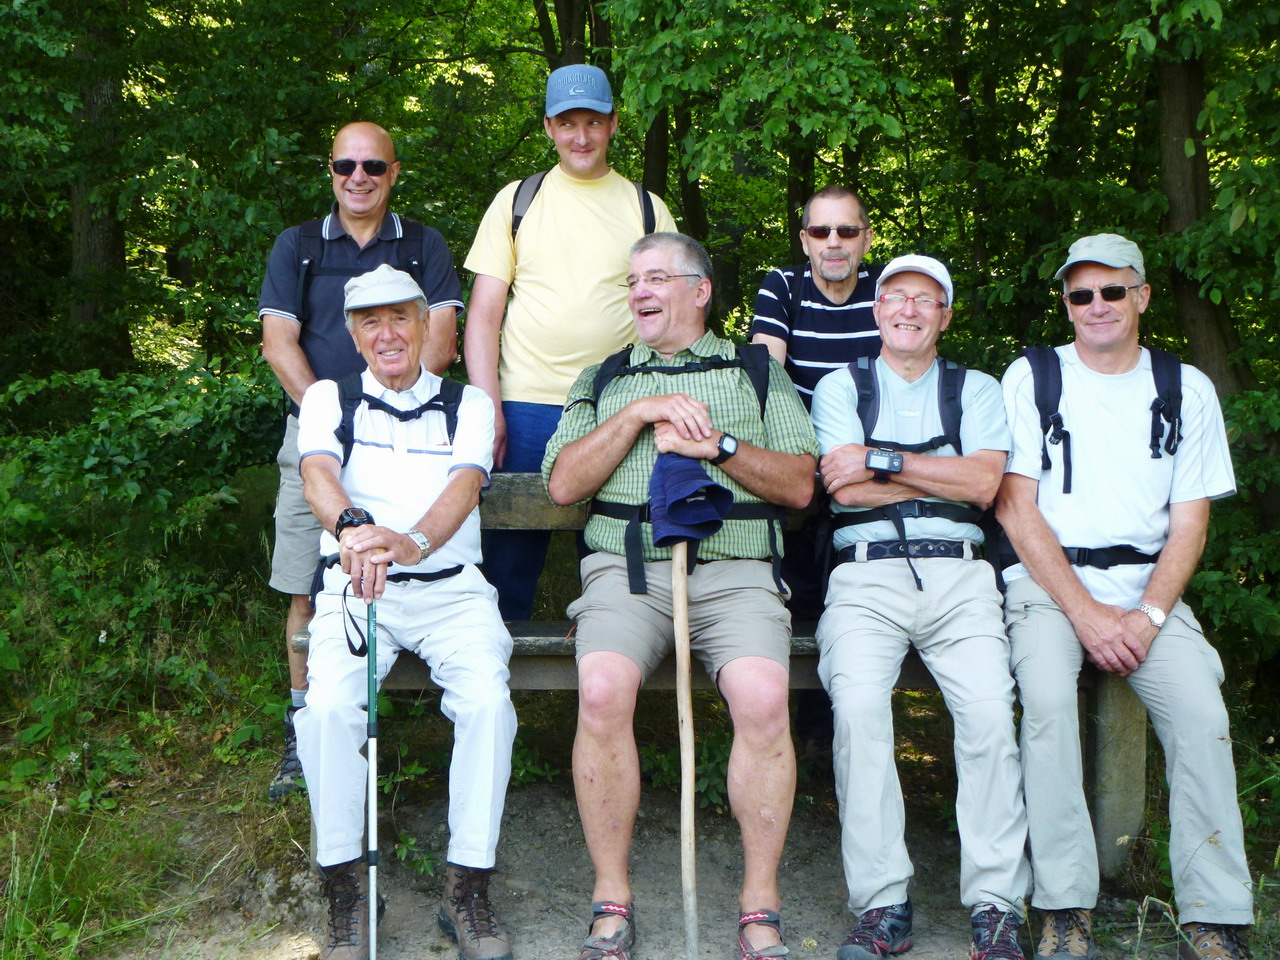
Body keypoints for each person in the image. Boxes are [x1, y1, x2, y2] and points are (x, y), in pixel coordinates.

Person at [542, 233, 818, 960]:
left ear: (699, 291)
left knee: (762, 697)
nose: (639, 291)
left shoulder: (757, 370)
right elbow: (564, 484)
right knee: (601, 689)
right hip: (628, 571)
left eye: (657, 277)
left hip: (735, 572)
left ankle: (760, 906)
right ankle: (612, 897)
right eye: (632, 279)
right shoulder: (603, 379)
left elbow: (799, 485)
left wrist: (718, 447)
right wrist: (637, 415)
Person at [997, 234, 1252, 960]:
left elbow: (1191, 521)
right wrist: (1084, 612)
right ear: (1067, 305)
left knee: (1203, 710)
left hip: (1146, 590)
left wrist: (1145, 616)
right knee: (1046, 702)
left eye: (1113, 290)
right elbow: (1017, 509)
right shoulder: (1033, 377)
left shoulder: (1185, 387)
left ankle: (1214, 912)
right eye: (1082, 294)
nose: (1097, 306)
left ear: (1141, 296)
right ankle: (1063, 906)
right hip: (1048, 586)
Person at [811, 255, 1030, 960]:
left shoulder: (980, 389)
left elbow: (986, 484)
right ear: (876, 312)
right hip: (865, 579)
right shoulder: (841, 386)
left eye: (925, 300)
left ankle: (997, 905)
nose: (908, 309)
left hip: (962, 578)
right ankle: (883, 905)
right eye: (895, 297)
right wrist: (940, 475)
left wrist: (884, 462)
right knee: (860, 712)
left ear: (945, 315)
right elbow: (841, 491)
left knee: (991, 716)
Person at [295, 265, 515, 960]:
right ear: (354, 334)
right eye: (370, 322)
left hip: (452, 591)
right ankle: (345, 892)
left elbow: (464, 486)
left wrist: (412, 541)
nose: (387, 334)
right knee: (327, 708)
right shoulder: (329, 397)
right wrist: (355, 530)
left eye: (400, 318)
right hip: (359, 587)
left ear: (426, 325)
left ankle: (467, 887)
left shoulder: (468, 404)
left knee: (488, 705)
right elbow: (318, 475)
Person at [259, 121, 462, 801]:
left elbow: (441, 339)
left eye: (373, 165)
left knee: (408, 562)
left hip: (412, 432)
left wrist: (393, 408)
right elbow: (279, 341)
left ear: (393, 172)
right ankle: (302, 728)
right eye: (345, 165)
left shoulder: (423, 245)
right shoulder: (298, 246)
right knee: (305, 584)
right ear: (330, 170)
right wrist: (333, 415)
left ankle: (396, 720)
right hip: (315, 432)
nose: (358, 177)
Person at [464, 63, 676, 621]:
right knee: (508, 558)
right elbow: (484, 316)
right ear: (548, 127)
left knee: (617, 552)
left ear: (613, 124)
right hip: (526, 403)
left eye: (592, 121)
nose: (580, 137)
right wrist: (489, 409)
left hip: (620, 406)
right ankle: (493, 689)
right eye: (567, 123)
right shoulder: (517, 201)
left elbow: (674, 318)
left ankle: (613, 680)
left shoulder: (647, 208)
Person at [750, 185, 881, 406]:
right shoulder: (784, 286)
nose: (833, 242)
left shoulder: (887, 288)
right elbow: (765, 377)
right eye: (819, 232)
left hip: (877, 435)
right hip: (805, 435)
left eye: (847, 231)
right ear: (804, 240)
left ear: (867, 239)